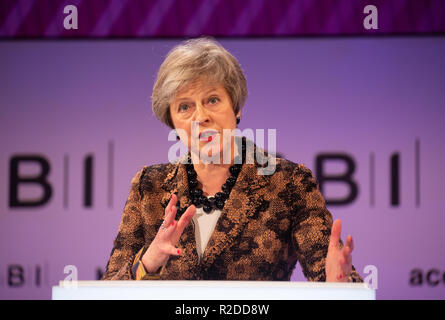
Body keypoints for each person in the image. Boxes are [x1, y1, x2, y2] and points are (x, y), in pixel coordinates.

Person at [102, 38, 362, 282]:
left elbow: (332, 273)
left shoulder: (288, 183)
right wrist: (148, 263)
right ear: (172, 121)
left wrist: (338, 284)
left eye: (212, 100)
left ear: (236, 108)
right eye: (184, 106)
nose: (200, 116)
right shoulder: (149, 185)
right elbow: (109, 288)